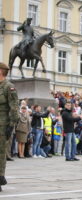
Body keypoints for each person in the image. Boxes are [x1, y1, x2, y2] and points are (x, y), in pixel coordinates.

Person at [0, 62, 19, 192]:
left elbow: (14, 107)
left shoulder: (9, 87)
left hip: (3, 124)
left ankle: (0, 177)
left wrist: (11, 125)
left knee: (0, 152)